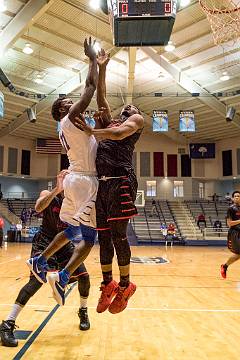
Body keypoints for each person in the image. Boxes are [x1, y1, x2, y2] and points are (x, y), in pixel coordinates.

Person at [26, 37, 98, 306]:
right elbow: (89, 87)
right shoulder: (68, 119)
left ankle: (40, 259)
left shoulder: (68, 126)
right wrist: (92, 60)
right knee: (89, 239)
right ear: (62, 110)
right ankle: (65, 275)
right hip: (85, 181)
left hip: (73, 179)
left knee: (69, 231)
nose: (73, 103)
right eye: (68, 102)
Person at [74, 49, 144, 314]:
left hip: (121, 181)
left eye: (131, 107)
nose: (128, 107)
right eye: (125, 107)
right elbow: (102, 99)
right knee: (103, 238)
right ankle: (108, 284)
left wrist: (94, 131)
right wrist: (103, 67)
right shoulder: (110, 120)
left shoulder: (135, 120)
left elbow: (118, 134)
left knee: (117, 236)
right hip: (102, 185)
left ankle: (126, 285)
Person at [0, 172, 91, 347]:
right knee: (36, 282)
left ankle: (83, 311)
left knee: (84, 277)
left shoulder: (77, 203)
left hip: (65, 245)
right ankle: (7, 324)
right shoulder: (49, 195)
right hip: (45, 243)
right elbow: (39, 207)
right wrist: (57, 189)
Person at [221, 191, 240, 279]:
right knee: (238, 254)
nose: (237, 197)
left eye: (238, 196)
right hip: (234, 233)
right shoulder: (231, 209)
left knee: (238, 255)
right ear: (232, 198)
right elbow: (229, 224)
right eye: (235, 196)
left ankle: (225, 266)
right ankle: (225, 266)